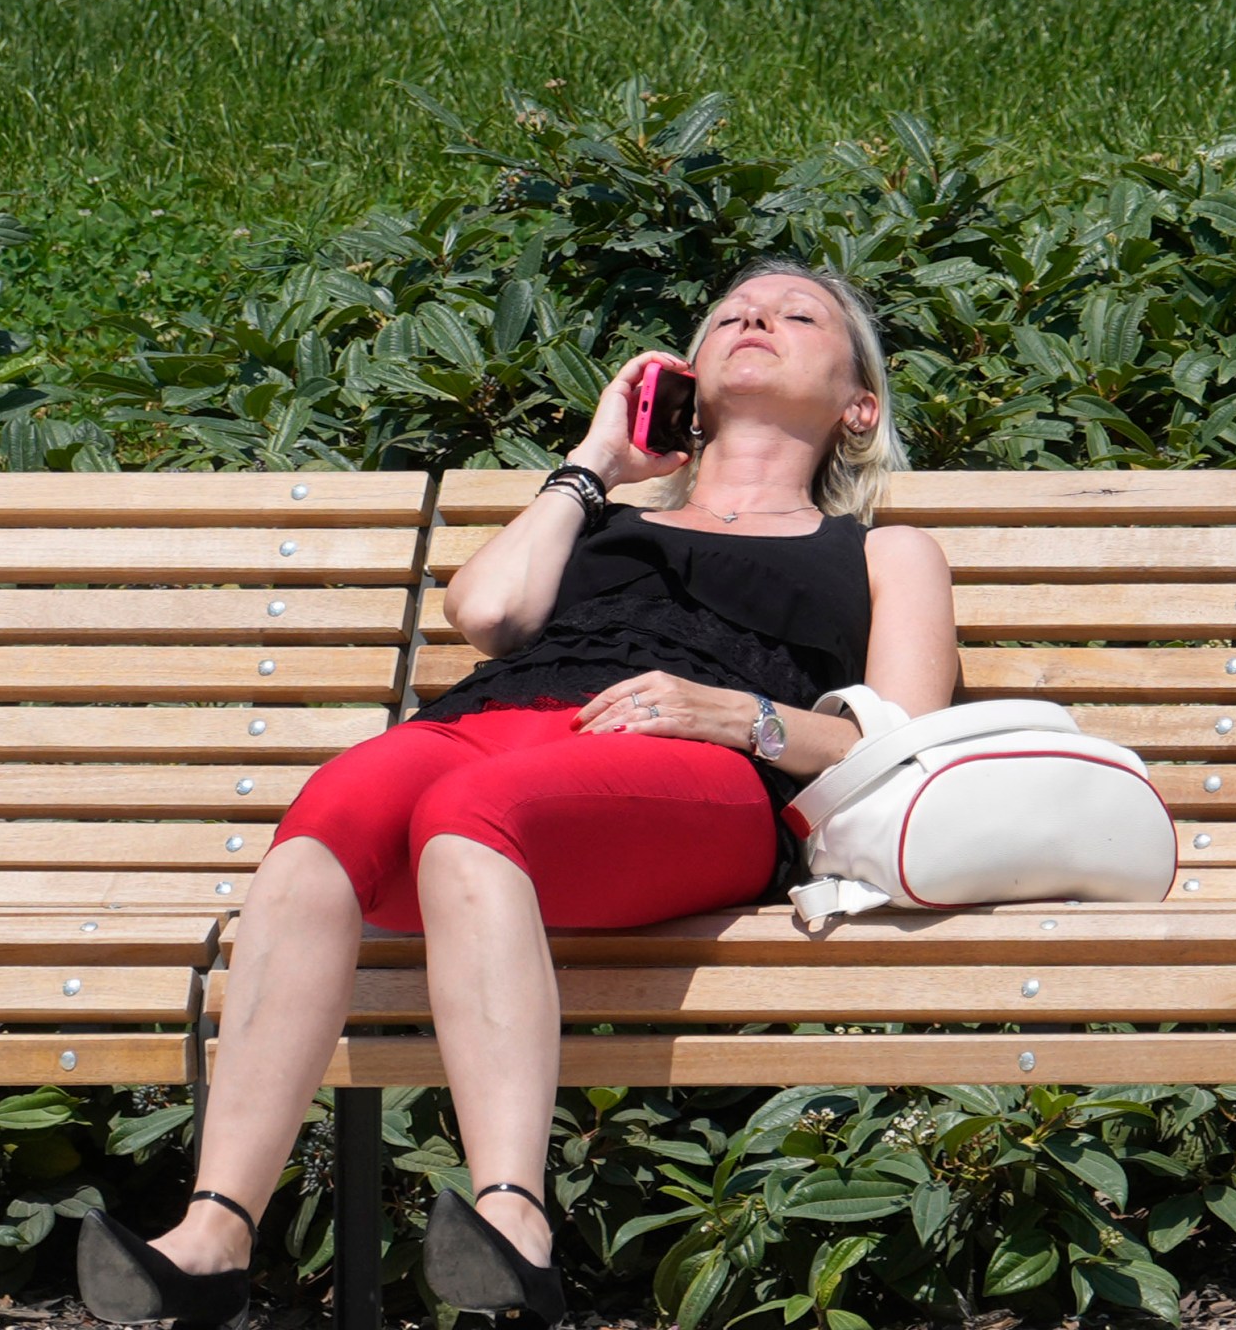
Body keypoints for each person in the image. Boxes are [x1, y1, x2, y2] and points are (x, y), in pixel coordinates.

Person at [75, 257, 962, 1329]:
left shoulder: (880, 552)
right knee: (332, 814)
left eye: (795, 314)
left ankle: (514, 1221)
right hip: (491, 732)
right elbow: (488, 616)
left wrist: (739, 717)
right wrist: (594, 461)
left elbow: (906, 741)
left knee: (468, 817)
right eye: (727, 311)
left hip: (693, 774)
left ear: (858, 405)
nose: (751, 319)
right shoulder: (597, 519)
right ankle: (212, 1236)